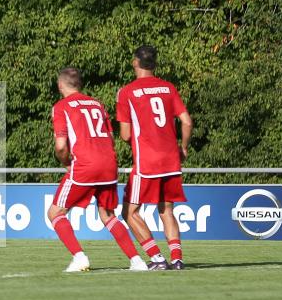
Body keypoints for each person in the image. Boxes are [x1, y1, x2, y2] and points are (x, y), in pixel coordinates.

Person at [47, 68, 147, 272]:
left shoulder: (61, 107)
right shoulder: (97, 104)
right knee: (108, 215)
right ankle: (137, 261)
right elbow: (110, 138)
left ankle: (79, 257)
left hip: (85, 165)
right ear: (80, 84)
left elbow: (60, 146)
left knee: (55, 212)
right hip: (108, 164)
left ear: (60, 85)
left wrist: (66, 163)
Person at [117, 46, 193, 270]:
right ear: (155, 64)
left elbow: (125, 135)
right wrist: (183, 147)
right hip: (171, 160)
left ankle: (157, 258)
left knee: (129, 211)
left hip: (147, 162)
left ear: (135, 62)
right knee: (166, 209)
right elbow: (187, 121)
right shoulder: (168, 87)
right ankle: (177, 259)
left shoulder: (127, 92)